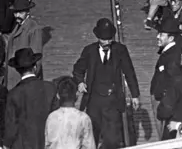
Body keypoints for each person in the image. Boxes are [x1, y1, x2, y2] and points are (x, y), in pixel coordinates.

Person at [72, 18, 140, 149]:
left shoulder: (121, 50)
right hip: (94, 102)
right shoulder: (89, 51)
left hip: (113, 102)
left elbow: (129, 72)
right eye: (104, 39)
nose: (107, 42)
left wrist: (135, 95)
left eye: (110, 39)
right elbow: (77, 70)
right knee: (91, 138)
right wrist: (80, 82)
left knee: (112, 140)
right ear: (98, 37)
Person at [4, 48, 56, 149]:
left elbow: (11, 126)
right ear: (35, 67)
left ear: (17, 70)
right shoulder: (50, 87)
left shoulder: (13, 94)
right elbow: (56, 117)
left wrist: (6, 145)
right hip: (47, 143)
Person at [45, 76, 96, 149]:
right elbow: (89, 146)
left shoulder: (51, 117)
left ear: (58, 96)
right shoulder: (83, 118)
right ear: (77, 95)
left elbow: (47, 144)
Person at [6, 0, 43, 90]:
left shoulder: (34, 28)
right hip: (13, 78)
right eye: (15, 12)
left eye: (20, 12)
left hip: (23, 79)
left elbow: (36, 56)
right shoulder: (18, 25)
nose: (17, 15)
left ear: (27, 12)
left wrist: (32, 79)